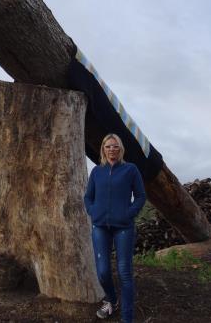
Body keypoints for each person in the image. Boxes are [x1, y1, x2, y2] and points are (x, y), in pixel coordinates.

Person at [84, 133, 146, 323]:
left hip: (124, 227)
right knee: (102, 272)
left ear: (120, 149)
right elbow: (88, 197)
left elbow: (141, 196)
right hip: (100, 226)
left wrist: (129, 213)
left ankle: (127, 318)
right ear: (103, 149)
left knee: (124, 272)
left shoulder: (130, 169)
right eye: (108, 146)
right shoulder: (97, 171)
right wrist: (94, 212)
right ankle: (112, 300)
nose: (112, 149)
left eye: (115, 146)